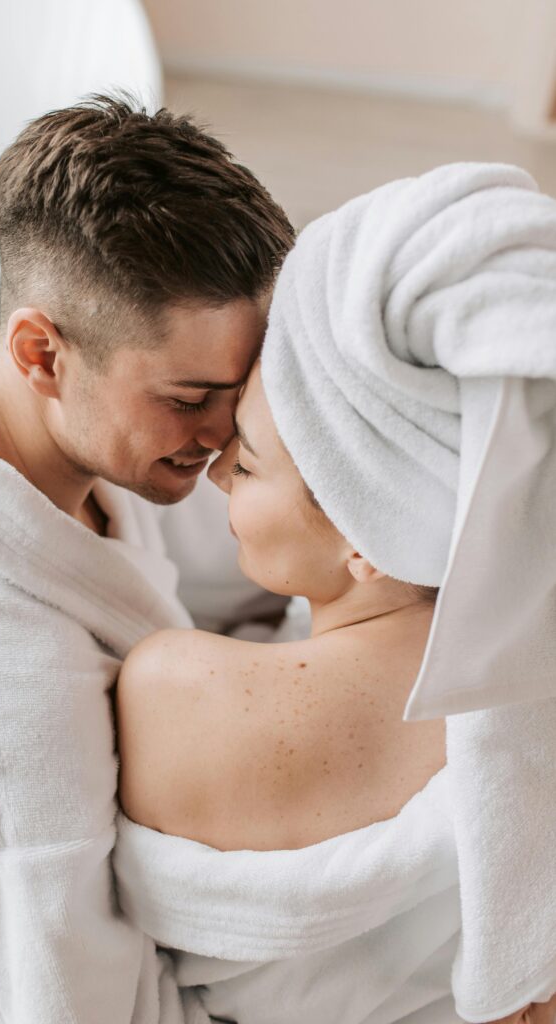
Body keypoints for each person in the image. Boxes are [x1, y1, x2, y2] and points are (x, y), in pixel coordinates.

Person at [0, 95, 294, 1022]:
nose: (231, 440)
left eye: (243, 389)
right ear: (39, 352)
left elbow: (236, 581)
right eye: (192, 399)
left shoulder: (59, 432)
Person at [114, 163, 556, 1024]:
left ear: (366, 534)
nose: (213, 479)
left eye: (245, 460)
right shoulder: (525, 699)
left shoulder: (173, 685)